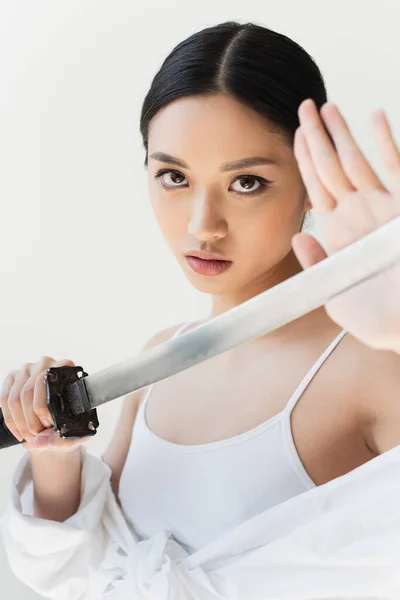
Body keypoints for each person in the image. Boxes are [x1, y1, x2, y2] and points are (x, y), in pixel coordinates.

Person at [1, 20, 400, 600]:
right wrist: (53, 458)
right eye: (173, 176)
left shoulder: (373, 364)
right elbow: (93, 574)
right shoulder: (159, 362)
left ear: (311, 180)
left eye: (246, 183)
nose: (200, 225)